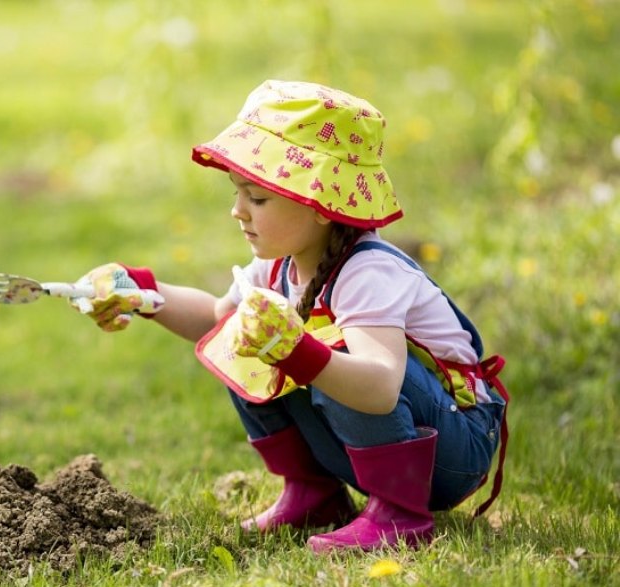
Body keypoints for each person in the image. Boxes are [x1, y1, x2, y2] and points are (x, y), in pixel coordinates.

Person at [71, 80, 509, 553]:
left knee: (324, 344)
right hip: (392, 439)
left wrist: (297, 352)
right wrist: (142, 292)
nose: (237, 211)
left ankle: (399, 513)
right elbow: (215, 318)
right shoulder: (278, 263)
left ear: (322, 204)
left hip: (451, 449)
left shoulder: (367, 272)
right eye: (238, 193)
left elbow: (380, 387)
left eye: (257, 199)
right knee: (240, 331)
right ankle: (313, 493)